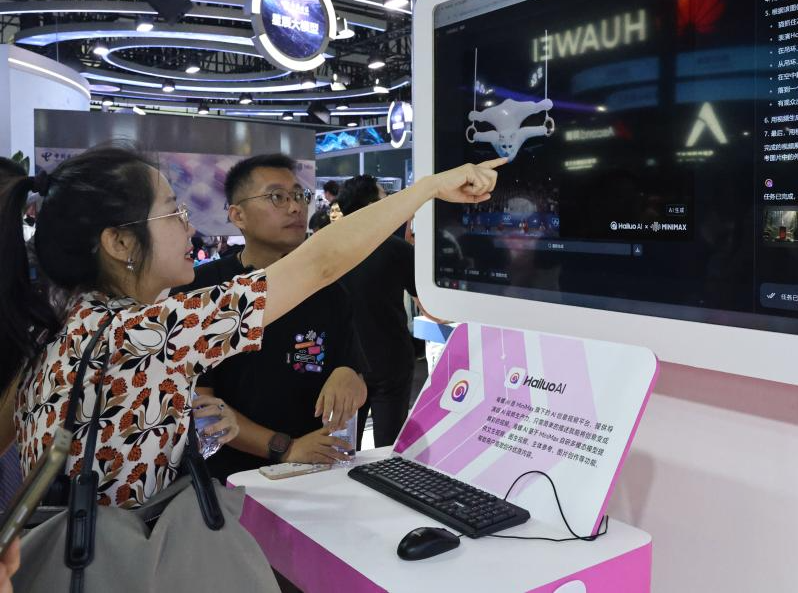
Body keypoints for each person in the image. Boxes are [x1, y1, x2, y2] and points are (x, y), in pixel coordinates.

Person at [0, 144, 503, 511]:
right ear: (120, 243)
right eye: (173, 212)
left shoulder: (56, 326)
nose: (190, 227)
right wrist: (428, 188)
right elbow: (320, 262)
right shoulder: (149, 331)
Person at [181, 154, 368, 481]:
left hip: (314, 471)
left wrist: (349, 375)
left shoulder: (328, 289)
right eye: (277, 197)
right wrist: (285, 447)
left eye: (299, 195)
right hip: (231, 480)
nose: (295, 208)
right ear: (237, 215)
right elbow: (201, 405)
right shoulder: (207, 289)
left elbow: (355, 372)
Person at [337, 175, 429, 448]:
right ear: (372, 206)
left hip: (344, 364)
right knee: (388, 448)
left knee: (343, 448)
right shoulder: (396, 249)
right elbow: (427, 304)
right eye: (384, 198)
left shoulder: (329, 249)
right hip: (390, 360)